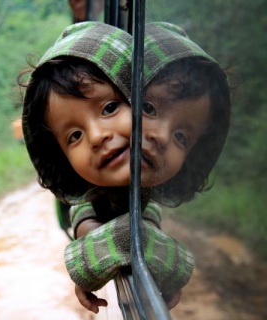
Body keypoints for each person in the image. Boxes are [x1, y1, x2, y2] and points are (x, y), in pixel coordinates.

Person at [19, 21, 231, 313]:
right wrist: (92, 258)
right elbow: (95, 225)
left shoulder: (142, 192)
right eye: (74, 135)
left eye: (182, 136)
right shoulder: (90, 199)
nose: (96, 136)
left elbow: (143, 224)